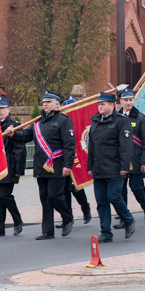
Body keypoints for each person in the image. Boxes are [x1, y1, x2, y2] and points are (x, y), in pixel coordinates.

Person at [8, 91, 76, 240]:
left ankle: (67, 217)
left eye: (49, 101)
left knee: (54, 196)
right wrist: (13, 135)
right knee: (44, 198)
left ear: (57, 104)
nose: (45, 104)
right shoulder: (38, 121)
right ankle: (47, 231)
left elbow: (70, 145)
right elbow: (26, 136)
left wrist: (68, 165)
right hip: (41, 166)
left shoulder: (64, 120)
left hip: (57, 165)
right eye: (44, 101)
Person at [87, 92, 135, 243]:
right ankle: (106, 232)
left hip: (115, 166)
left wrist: (125, 166)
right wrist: (90, 166)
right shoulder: (95, 121)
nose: (100, 107)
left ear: (111, 105)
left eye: (103, 104)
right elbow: (92, 146)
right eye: (99, 104)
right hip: (99, 167)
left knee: (113, 196)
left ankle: (128, 220)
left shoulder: (121, 121)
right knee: (101, 200)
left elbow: (126, 146)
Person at [0, 97, 26, 238]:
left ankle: (18, 221)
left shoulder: (13, 125)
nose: (0, 111)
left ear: (9, 110)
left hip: (9, 166)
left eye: (3, 108)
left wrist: (18, 170)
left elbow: (20, 149)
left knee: (5, 195)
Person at [116, 88, 145, 225]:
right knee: (120, 189)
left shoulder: (140, 118)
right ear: (121, 101)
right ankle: (123, 216)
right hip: (121, 160)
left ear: (134, 100)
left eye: (130, 100)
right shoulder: (116, 117)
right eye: (125, 100)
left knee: (136, 186)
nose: (128, 103)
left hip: (137, 160)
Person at [60, 95, 92, 226]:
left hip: (76, 159)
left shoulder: (79, 120)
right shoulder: (62, 120)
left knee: (75, 188)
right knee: (64, 190)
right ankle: (67, 218)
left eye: (72, 105)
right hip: (63, 159)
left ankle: (86, 209)